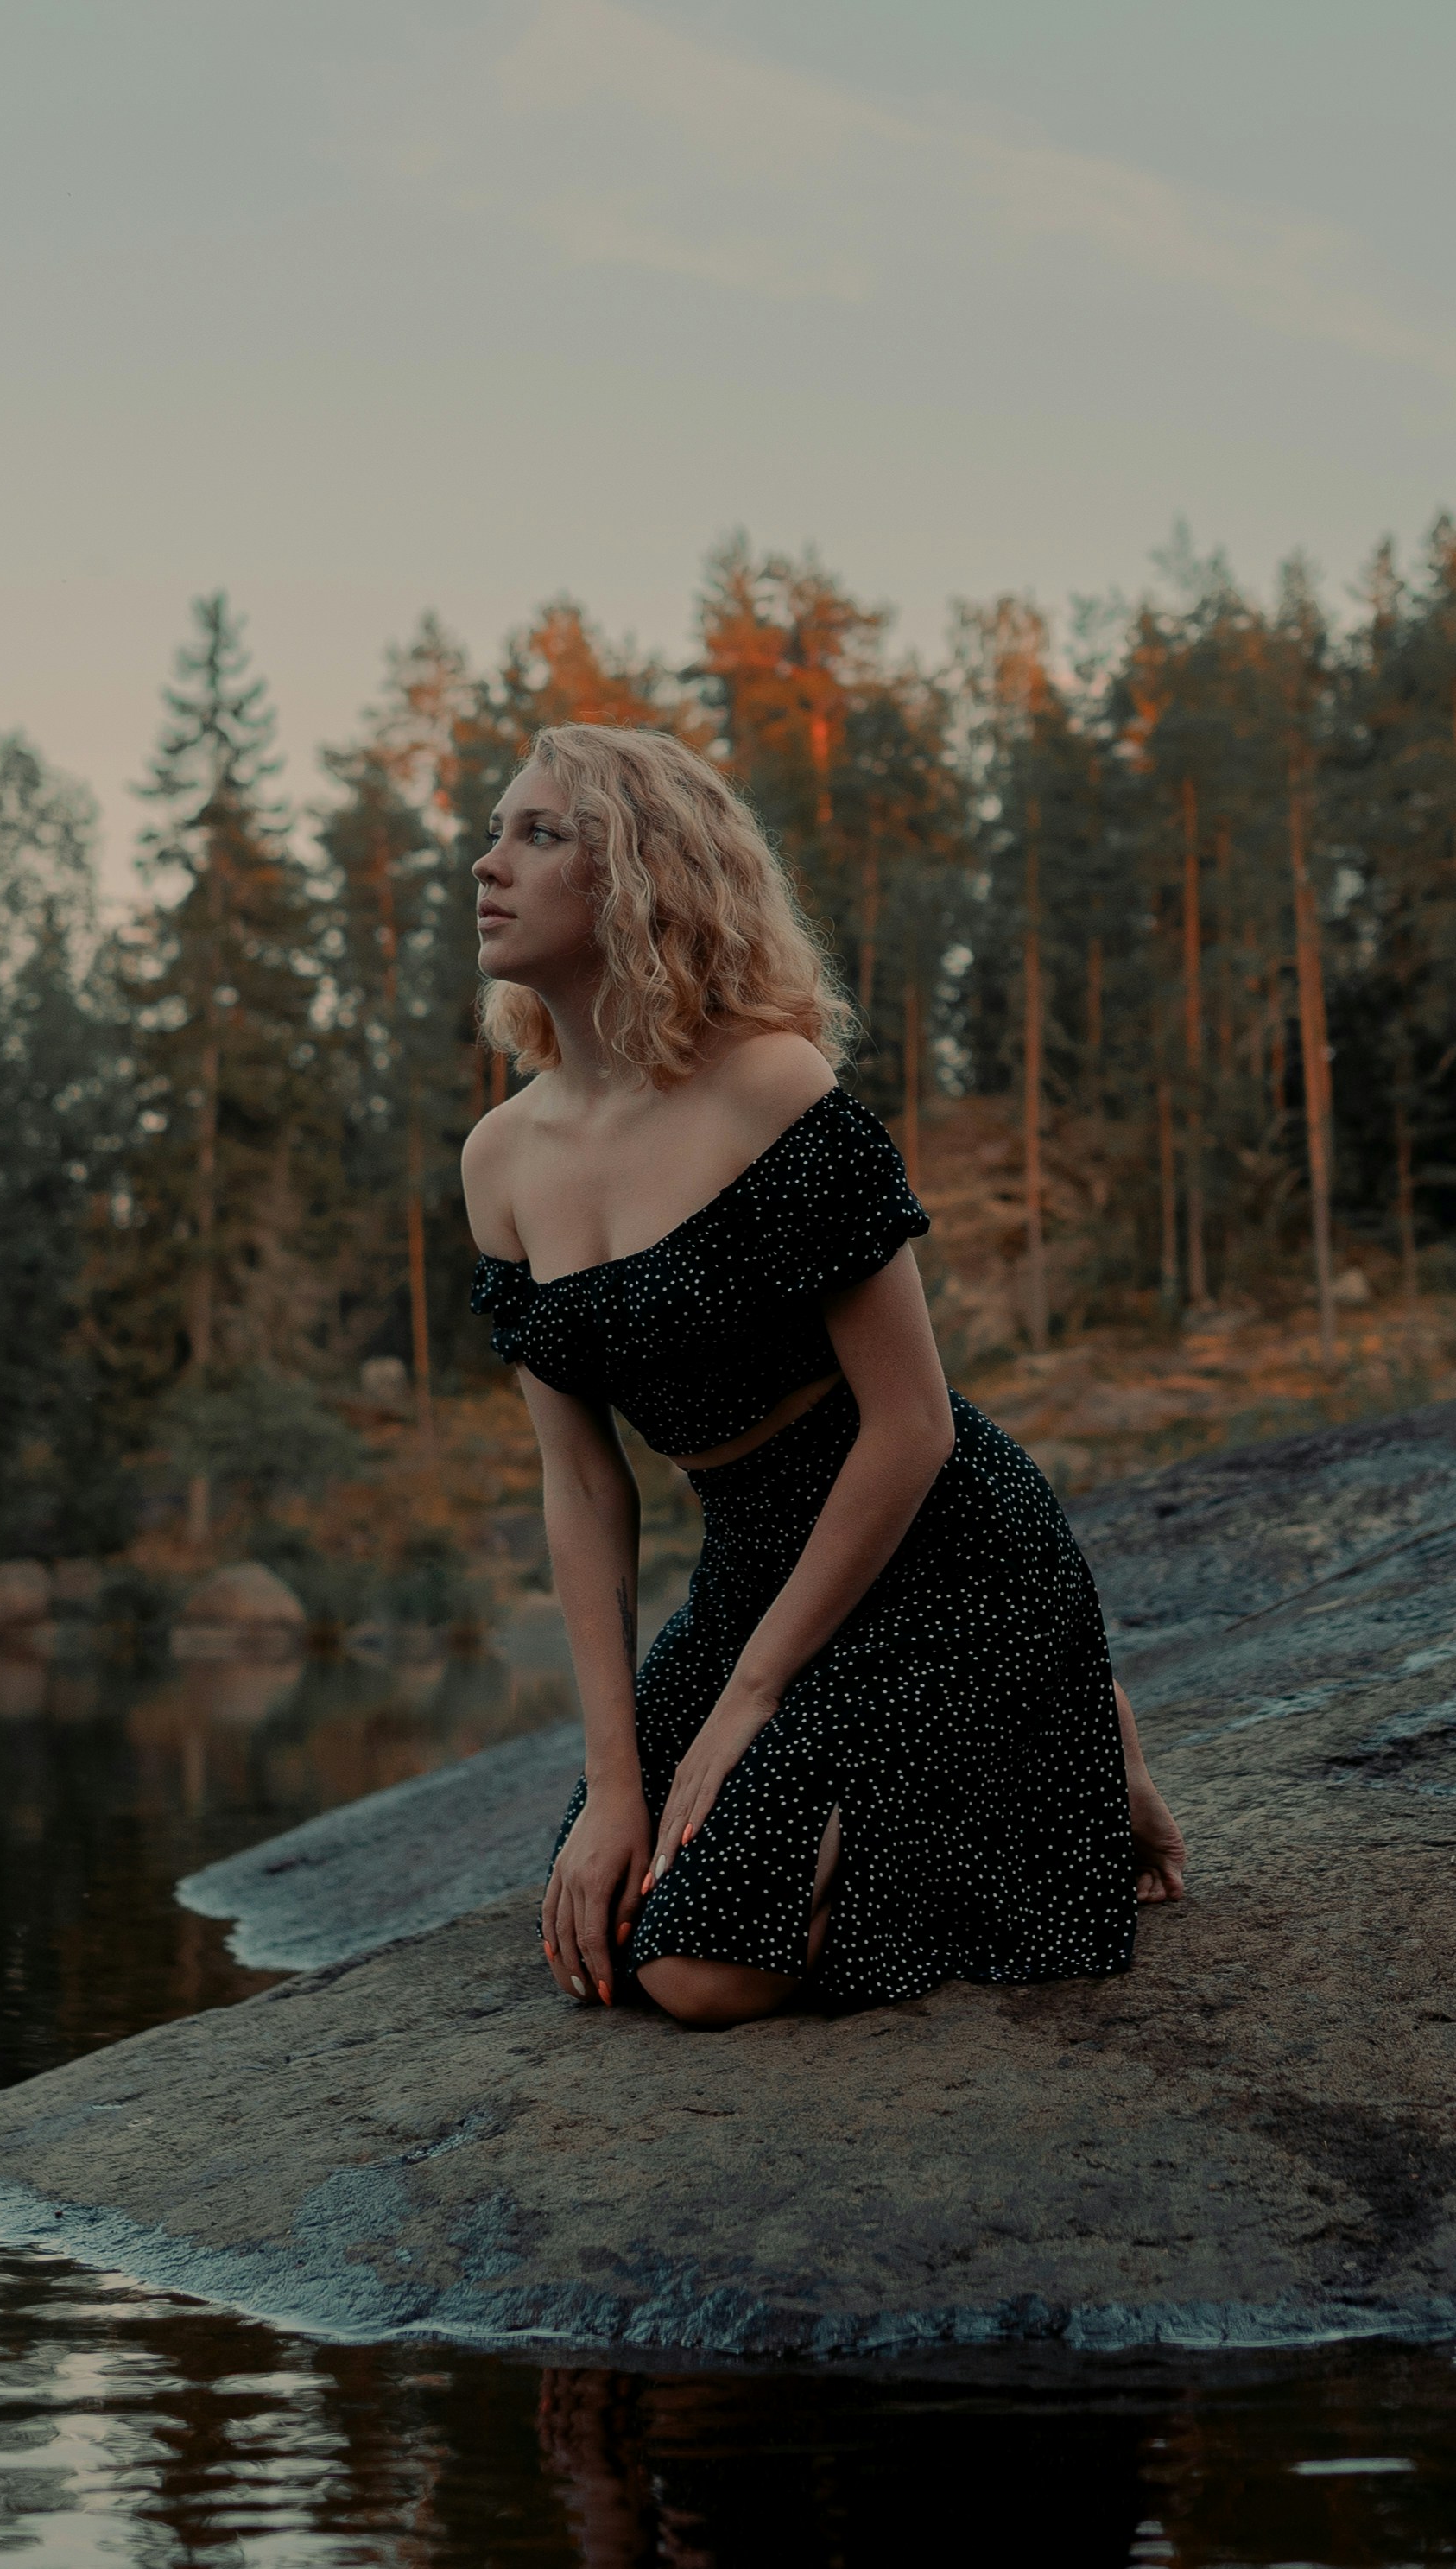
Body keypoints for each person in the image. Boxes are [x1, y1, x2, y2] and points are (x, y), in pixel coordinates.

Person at [460, 724, 1185, 2029]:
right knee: (609, 1937)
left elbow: (911, 1427)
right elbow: (582, 1487)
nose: (486, 862)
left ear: (638, 872)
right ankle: (1052, 1740)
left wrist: (751, 1700)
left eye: (537, 833)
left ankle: (1062, 1727)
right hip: (748, 1577)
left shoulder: (768, 1086)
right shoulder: (501, 1161)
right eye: (496, 831)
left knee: (699, 1972)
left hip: (941, 1557)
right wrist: (615, 1779)